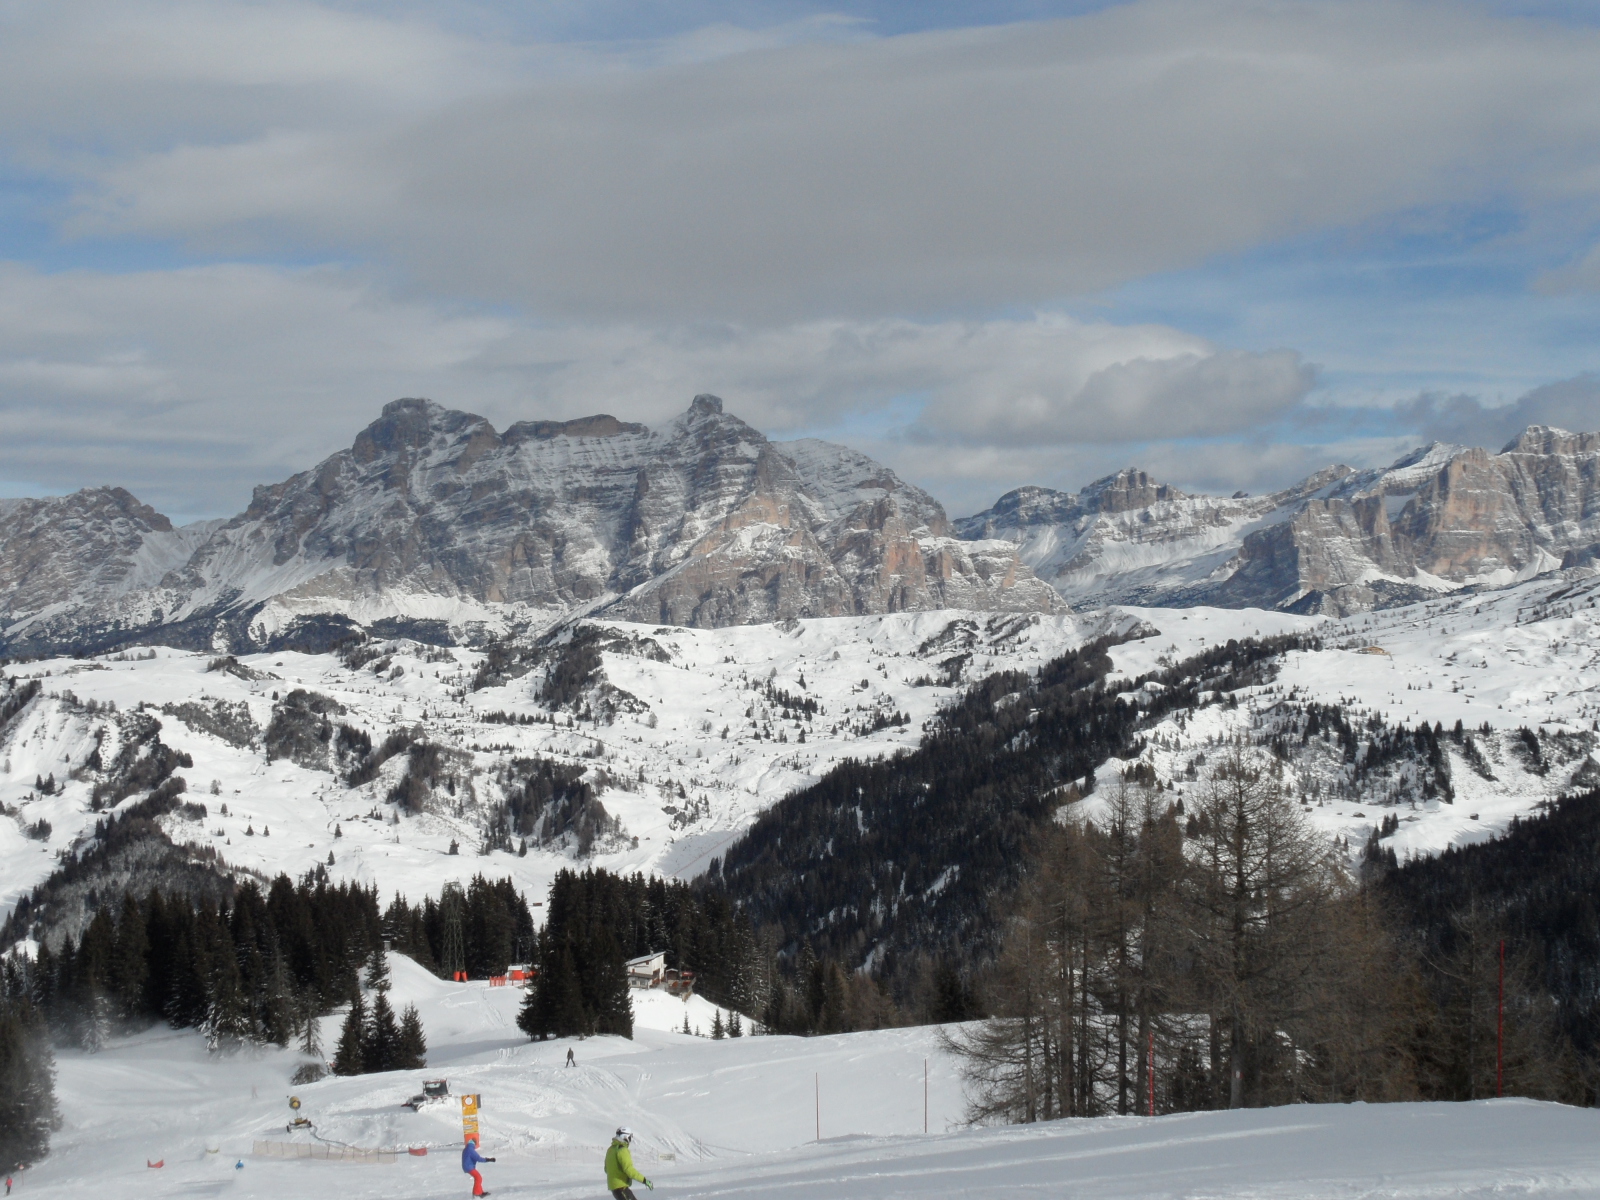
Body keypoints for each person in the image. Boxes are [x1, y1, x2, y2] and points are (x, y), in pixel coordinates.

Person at [604, 1127, 652, 1199]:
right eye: (629, 1137)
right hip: (621, 1186)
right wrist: (644, 1180)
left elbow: (606, 1169)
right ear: (625, 1137)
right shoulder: (622, 1150)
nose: (630, 1140)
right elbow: (629, 1170)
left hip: (614, 1186)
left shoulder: (611, 1149)